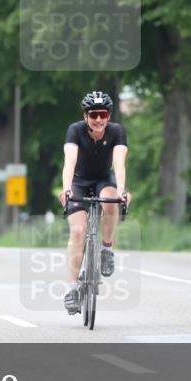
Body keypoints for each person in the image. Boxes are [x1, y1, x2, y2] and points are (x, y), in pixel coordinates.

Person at [57, 91, 131, 314]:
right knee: (78, 231)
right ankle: (72, 289)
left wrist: (121, 190)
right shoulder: (75, 130)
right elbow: (69, 162)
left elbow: (119, 163)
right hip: (79, 181)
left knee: (111, 201)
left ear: (109, 115)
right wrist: (67, 189)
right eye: (93, 114)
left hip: (103, 180)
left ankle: (107, 248)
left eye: (103, 114)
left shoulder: (117, 131)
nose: (98, 119)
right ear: (85, 115)